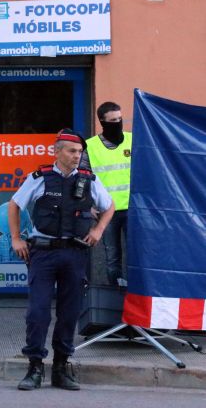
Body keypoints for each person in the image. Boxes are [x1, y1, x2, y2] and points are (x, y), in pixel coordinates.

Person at [9, 129, 114, 391]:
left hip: (75, 254)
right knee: (38, 313)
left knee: (69, 313)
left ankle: (61, 367)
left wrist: (98, 229)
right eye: (71, 151)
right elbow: (14, 204)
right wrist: (15, 238)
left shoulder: (89, 180)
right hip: (43, 254)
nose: (77, 156)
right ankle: (34, 367)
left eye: (79, 152)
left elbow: (109, 206)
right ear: (57, 152)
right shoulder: (40, 178)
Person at [86, 102, 131, 287]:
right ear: (102, 122)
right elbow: (82, 179)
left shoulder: (132, 140)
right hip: (106, 212)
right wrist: (89, 205)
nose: (118, 123)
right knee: (112, 257)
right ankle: (115, 295)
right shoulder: (90, 146)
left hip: (132, 209)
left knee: (135, 254)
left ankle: (136, 296)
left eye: (120, 119)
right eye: (113, 120)